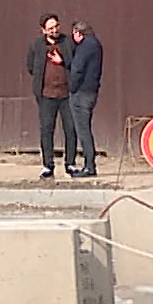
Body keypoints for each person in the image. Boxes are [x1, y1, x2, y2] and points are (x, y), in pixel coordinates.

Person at [24, 12, 77, 179]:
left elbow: (76, 65)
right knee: (47, 130)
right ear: (43, 30)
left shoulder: (68, 42)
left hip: (67, 94)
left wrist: (62, 61)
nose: (54, 30)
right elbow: (31, 67)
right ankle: (48, 165)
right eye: (50, 28)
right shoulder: (36, 45)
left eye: (56, 26)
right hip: (46, 95)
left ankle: (70, 164)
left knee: (70, 129)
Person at [65, 20, 103, 178]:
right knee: (85, 127)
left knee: (83, 130)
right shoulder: (96, 45)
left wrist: (71, 87)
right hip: (92, 91)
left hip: (81, 93)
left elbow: (77, 69)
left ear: (78, 33)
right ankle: (89, 164)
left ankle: (89, 166)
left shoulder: (84, 47)